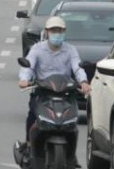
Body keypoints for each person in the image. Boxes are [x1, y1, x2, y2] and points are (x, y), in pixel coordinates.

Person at [18, 17, 90, 146]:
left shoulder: (70, 50)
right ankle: (29, 144)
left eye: (60, 31)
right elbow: (28, 67)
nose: (57, 34)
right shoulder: (37, 49)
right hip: (43, 92)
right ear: (46, 32)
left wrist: (83, 81)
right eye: (53, 31)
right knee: (32, 115)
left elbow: (78, 68)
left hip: (65, 93)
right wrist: (24, 79)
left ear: (64, 32)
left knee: (72, 121)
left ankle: (70, 154)